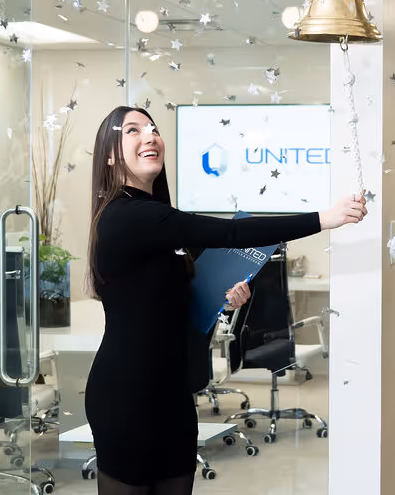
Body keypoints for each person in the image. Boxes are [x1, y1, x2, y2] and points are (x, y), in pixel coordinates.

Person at [86, 106, 367, 494]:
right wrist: (324, 218)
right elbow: (233, 235)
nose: (149, 136)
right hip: (127, 396)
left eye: (153, 128)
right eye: (133, 130)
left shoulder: (159, 221)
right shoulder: (126, 216)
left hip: (171, 393)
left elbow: (179, 297)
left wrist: (226, 296)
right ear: (111, 155)